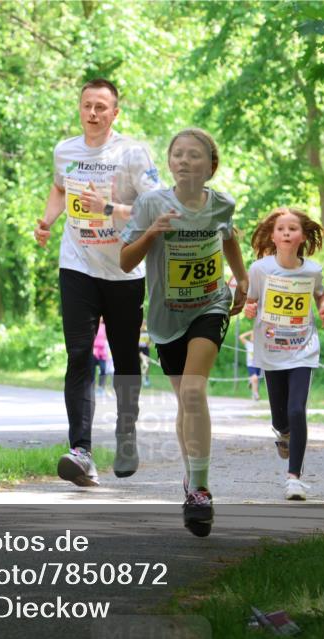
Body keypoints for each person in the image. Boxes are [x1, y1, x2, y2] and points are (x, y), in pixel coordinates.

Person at [34, 78, 162, 485]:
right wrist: (49, 220)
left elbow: (154, 204)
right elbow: (59, 187)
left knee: (125, 359)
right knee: (78, 356)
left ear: (115, 113)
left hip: (124, 268)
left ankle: (126, 433)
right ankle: (81, 451)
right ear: (79, 108)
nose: (93, 113)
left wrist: (108, 207)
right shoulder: (65, 150)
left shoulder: (131, 153)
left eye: (101, 107)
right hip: (77, 265)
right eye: (87, 105)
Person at [120, 128, 248, 535]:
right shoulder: (151, 202)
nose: (185, 160)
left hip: (210, 305)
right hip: (165, 317)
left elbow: (228, 238)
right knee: (183, 399)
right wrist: (154, 231)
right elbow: (125, 262)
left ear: (211, 166)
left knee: (194, 391)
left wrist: (241, 280)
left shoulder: (222, 204)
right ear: (170, 162)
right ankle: (191, 479)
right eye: (178, 154)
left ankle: (201, 490)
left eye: (195, 155)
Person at [243, 206, 324, 502]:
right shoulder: (261, 269)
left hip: (302, 348)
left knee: (296, 411)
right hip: (270, 349)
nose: (286, 233)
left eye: (292, 228)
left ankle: (294, 479)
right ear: (272, 235)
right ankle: (282, 434)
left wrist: (323, 307)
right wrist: (249, 308)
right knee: (281, 418)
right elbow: (250, 299)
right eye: (281, 228)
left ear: (302, 236)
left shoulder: (312, 270)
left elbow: (320, 292)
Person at [239, 330, 262, 401]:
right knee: (255, 378)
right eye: (252, 336)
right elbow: (241, 337)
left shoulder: (259, 345)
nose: (253, 338)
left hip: (258, 365)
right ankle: (256, 394)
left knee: (256, 381)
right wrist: (251, 331)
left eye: (255, 336)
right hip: (251, 365)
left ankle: (254, 394)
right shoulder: (248, 344)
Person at [92, 319, 111, 397]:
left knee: (103, 369)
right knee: (92, 370)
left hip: (102, 352)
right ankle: (91, 387)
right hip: (94, 351)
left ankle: (101, 387)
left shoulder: (104, 327)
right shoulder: (92, 326)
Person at [138, 321, 152, 388]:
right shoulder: (138, 330)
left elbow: (150, 339)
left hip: (145, 349)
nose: (143, 325)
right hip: (139, 349)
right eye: (142, 324)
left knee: (146, 364)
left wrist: (148, 343)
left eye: (145, 324)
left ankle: (146, 379)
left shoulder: (148, 331)